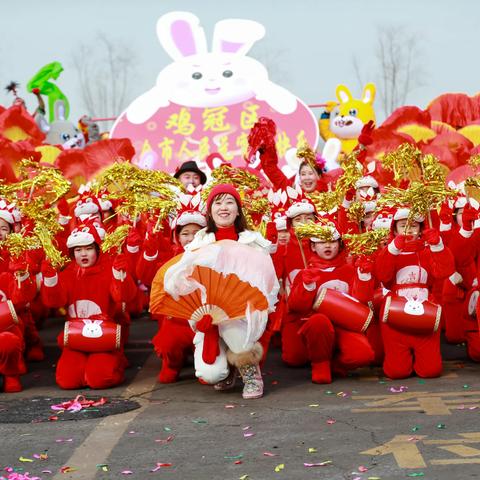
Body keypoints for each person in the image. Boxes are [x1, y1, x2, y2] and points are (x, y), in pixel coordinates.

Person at [181, 184, 278, 399]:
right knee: (210, 374)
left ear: (238, 209)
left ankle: (252, 375)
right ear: (210, 210)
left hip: (242, 314)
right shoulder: (199, 243)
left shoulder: (252, 242)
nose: (223, 208)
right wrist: (198, 320)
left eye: (229, 202)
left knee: (232, 327)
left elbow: (268, 281)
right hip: (209, 312)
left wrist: (257, 308)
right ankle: (228, 368)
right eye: (218, 202)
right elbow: (188, 285)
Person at [41, 219, 137, 389]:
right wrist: (50, 279)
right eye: (78, 250)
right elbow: (54, 302)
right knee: (67, 381)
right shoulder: (68, 273)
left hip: (104, 336)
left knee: (99, 380)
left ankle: (116, 359)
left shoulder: (109, 269)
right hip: (76, 338)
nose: (83, 254)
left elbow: (124, 296)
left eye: (88, 248)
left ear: (98, 250)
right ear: (72, 252)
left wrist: (119, 274)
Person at [285, 222, 375, 383]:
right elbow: (295, 307)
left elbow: (362, 300)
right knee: (318, 321)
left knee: (364, 355)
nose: (327, 245)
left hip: (345, 325)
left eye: (332, 241)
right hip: (318, 328)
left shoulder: (349, 270)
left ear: (339, 244)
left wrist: (364, 277)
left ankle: (335, 364)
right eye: (321, 242)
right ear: (312, 247)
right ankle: (320, 364)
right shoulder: (306, 272)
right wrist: (307, 286)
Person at [375, 208, 455, 379]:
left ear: (421, 229)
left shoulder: (427, 252)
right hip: (396, 310)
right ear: (394, 229)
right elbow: (383, 275)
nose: (409, 230)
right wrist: (393, 249)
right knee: (397, 371)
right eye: (403, 225)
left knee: (430, 371)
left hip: (425, 308)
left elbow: (444, 271)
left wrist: (438, 246)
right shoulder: (389, 252)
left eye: (413, 226)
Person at [137, 193, 206, 383]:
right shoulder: (169, 256)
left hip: (204, 322)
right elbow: (146, 277)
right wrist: (150, 250)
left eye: (196, 233)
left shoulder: (212, 255)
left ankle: (204, 361)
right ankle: (172, 363)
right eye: (185, 233)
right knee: (168, 343)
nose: (191, 238)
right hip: (176, 322)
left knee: (208, 376)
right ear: (177, 236)